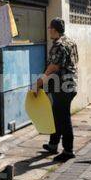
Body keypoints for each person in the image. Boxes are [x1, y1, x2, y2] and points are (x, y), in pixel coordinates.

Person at [33, 18, 79, 162]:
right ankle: (53, 144)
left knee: (63, 118)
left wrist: (39, 83)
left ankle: (68, 150)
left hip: (62, 87)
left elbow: (53, 67)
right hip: (69, 84)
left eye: (49, 28)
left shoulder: (59, 45)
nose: (48, 30)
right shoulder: (70, 42)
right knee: (56, 115)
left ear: (54, 29)